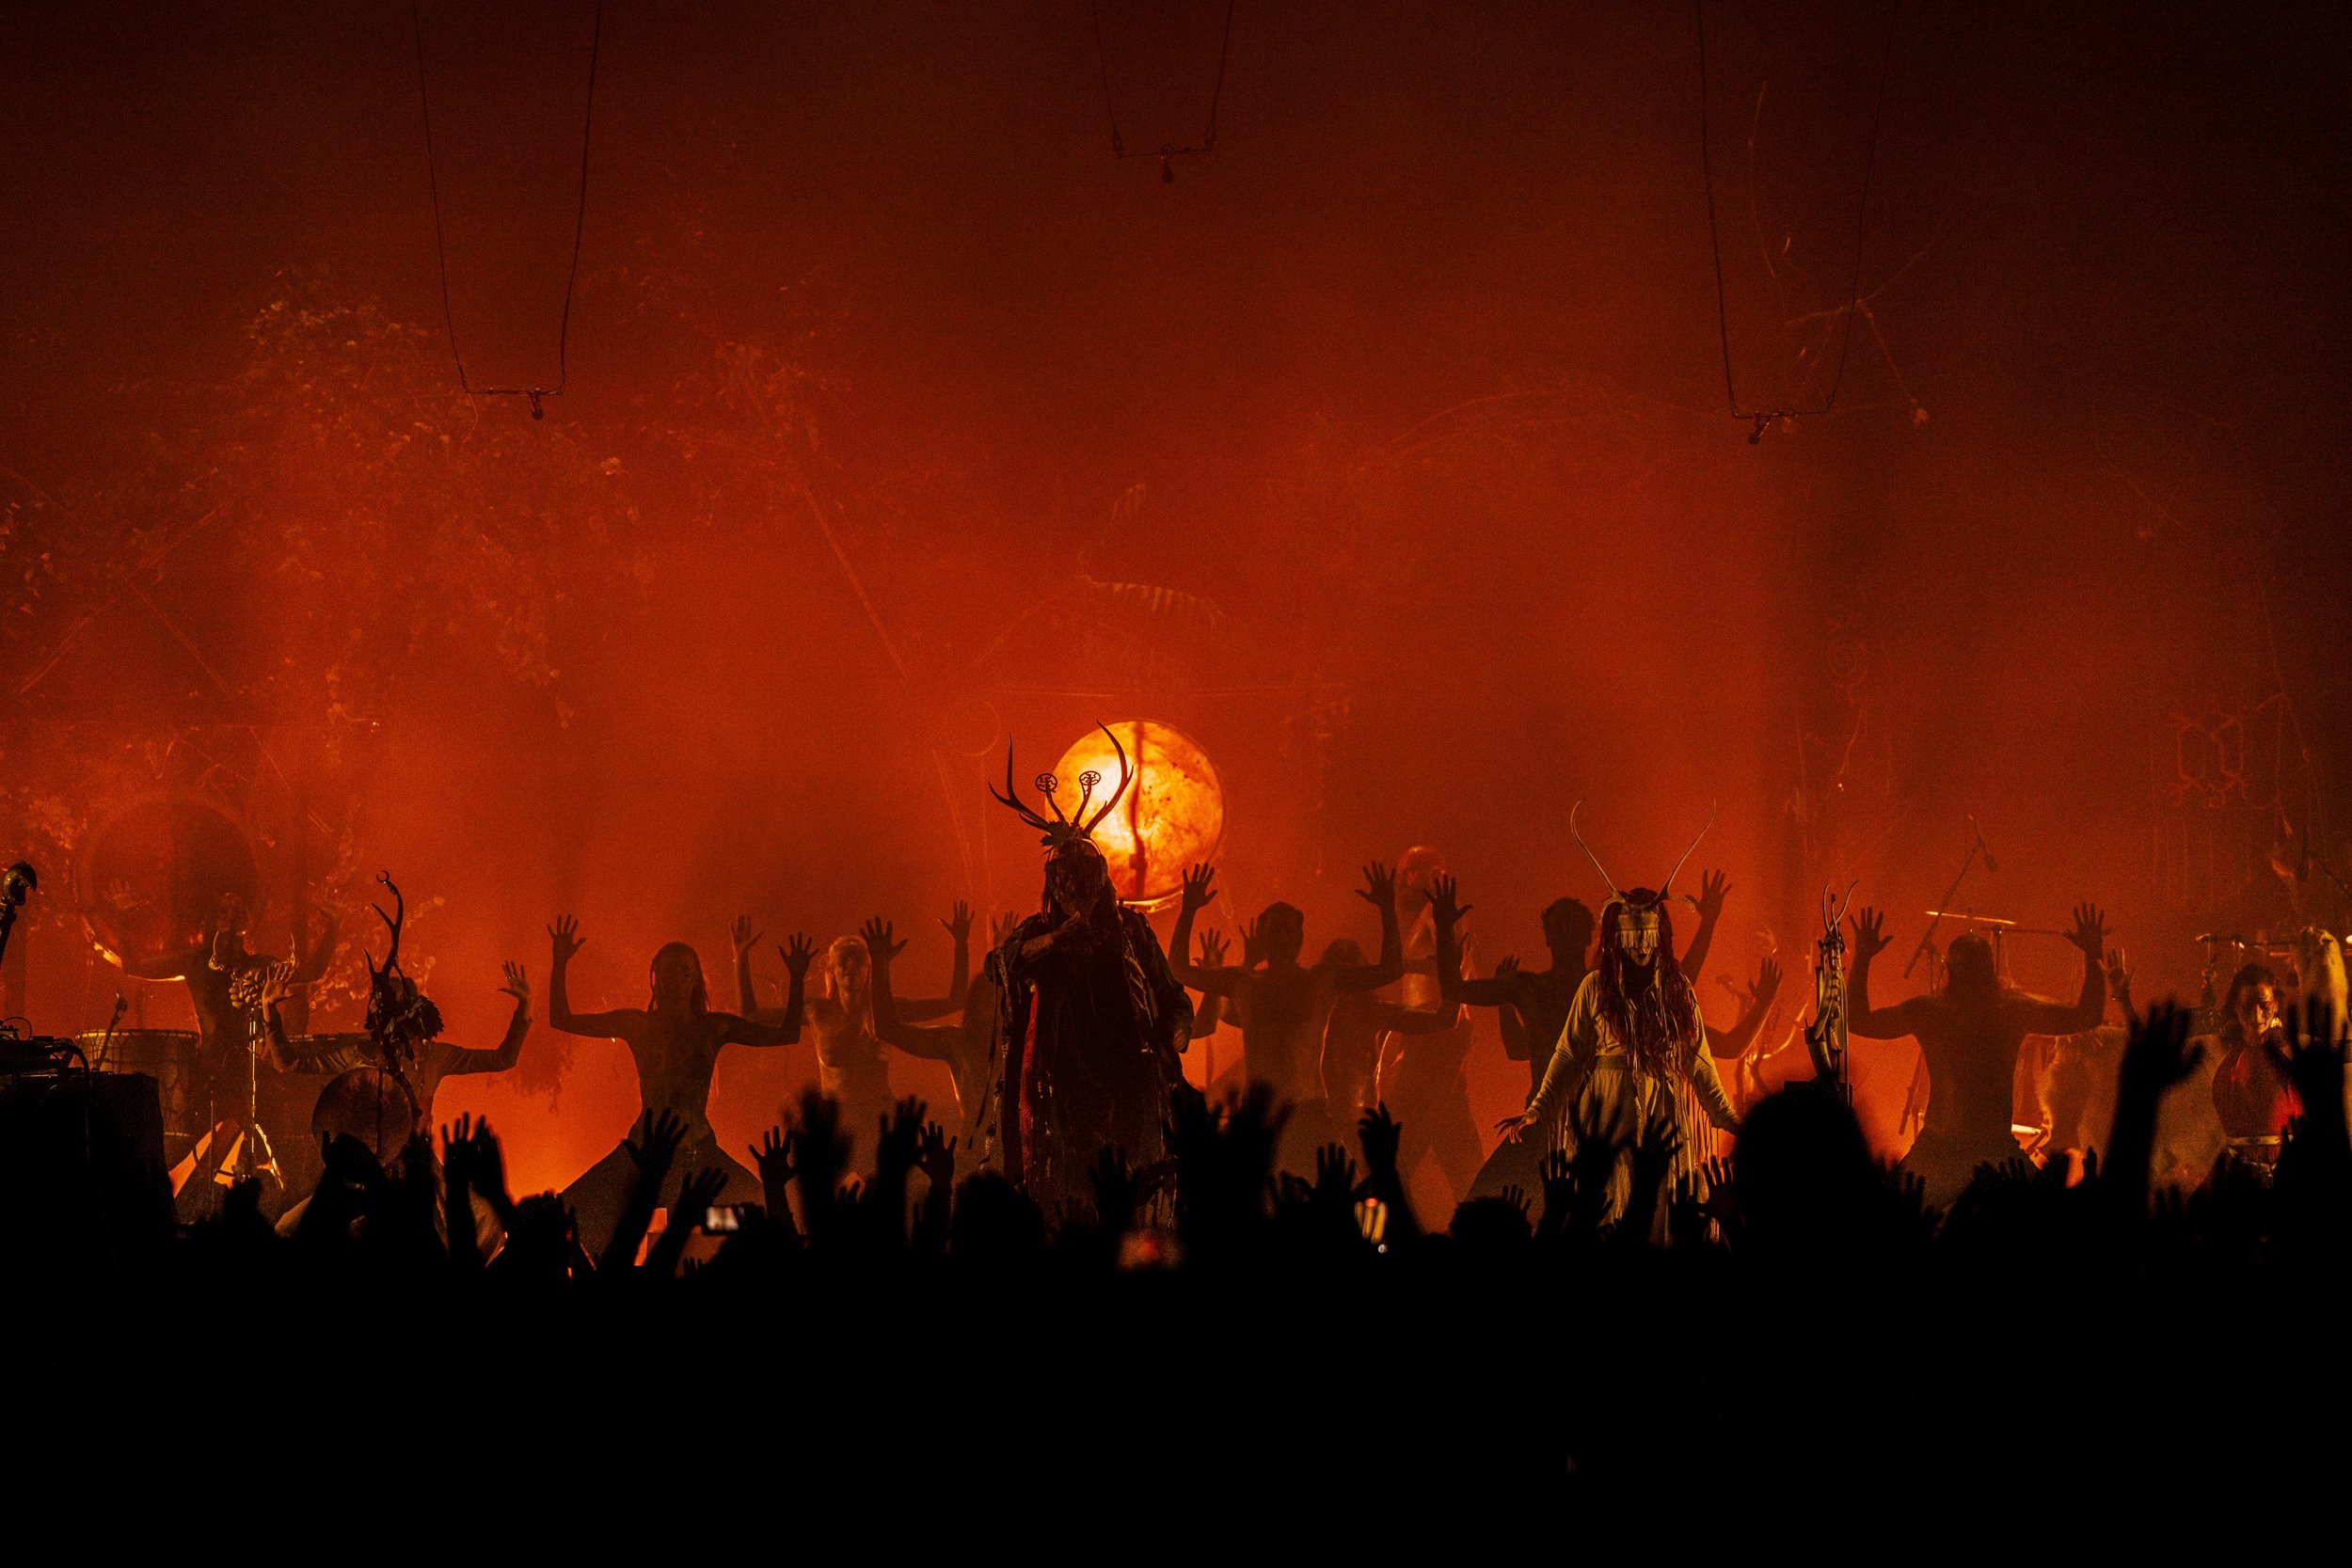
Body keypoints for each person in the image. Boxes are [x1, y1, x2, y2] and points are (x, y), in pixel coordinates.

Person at [976, 732, 1196, 1213]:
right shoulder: (1039, 931)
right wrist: (1055, 941)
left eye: (1084, 876)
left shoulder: (1131, 930)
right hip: (1062, 1090)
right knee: (1070, 1199)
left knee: (1136, 1195)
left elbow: (1174, 997)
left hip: (1129, 1080)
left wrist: (1174, 1034)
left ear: (1101, 879)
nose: (1075, 886)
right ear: (1054, 883)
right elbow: (997, 966)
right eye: (1066, 877)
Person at [1495, 805, 1738, 1230]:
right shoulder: (1595, 988)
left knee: (1664, 1210)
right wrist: (1536, 1110)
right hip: (1607, 1110)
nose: (1640, 947)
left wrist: (1732, 1120)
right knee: (1608, 1207)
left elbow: (1700, 1064)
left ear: (1659, 937)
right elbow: (1567, 1053)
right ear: (1616, 937)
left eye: (1648, 937)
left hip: (1663, 1107)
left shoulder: (1678, 992)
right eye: (1632, 937)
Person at [548, 913, 812, 1253]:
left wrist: (797, 978)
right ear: (654, 979)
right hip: (643, 1153)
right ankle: (612, 1268)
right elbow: (562, 1018)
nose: (674, 980)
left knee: (762, 1215)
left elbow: (786, 1033)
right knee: (562, 1216)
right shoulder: (637, 1025)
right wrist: (559, 962)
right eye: (667, 972)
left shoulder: (712, 1028)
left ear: (695, 981)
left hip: (697, 1154)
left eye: (683, 972)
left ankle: (699, 1221)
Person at [1845, 901, 2108, 1203]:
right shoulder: (1940, 1011)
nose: (1969, 976)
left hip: (1989, 1148)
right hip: (1942, 1146)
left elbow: (2087, 1017)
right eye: (1965, 967)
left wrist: (1863, 959)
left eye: (1973, 967)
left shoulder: (2005, 1010)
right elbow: (1859, 1021)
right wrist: (1861, 959)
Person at [1168, 862, 1404, 1171]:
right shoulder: (1243, 982)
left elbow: (1390, 970)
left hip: (1308, 1112)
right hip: (1258, 1115)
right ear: (1262, 938)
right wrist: (1188, 910)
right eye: (1274, 930)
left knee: (1342, 1192)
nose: (1281, 937)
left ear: (1299, 937)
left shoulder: (1321, 980)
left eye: (1287, 929)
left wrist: (1387, 910)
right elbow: (1179, 969)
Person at [732, 905, 969, 1153]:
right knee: (797, 1170)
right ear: (832, 971)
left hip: (879, 1116)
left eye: (857, 959)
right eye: (843, 960)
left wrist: (961, 944)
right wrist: (740, 957)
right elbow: (751, 1015)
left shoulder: (885, 1009)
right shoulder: (816, 1011)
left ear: (869, 968)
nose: (850, 965)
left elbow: (955, 1000)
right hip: (833, 1120)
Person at [2205, 962, 2298, 1163]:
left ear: (2275, 1005)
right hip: (2239, 1172)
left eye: (2264, 1005)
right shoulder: (2219, 1055)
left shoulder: (2293, 1055)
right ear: (2236, 1008)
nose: (2257, 1015)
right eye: (2247, 1006)